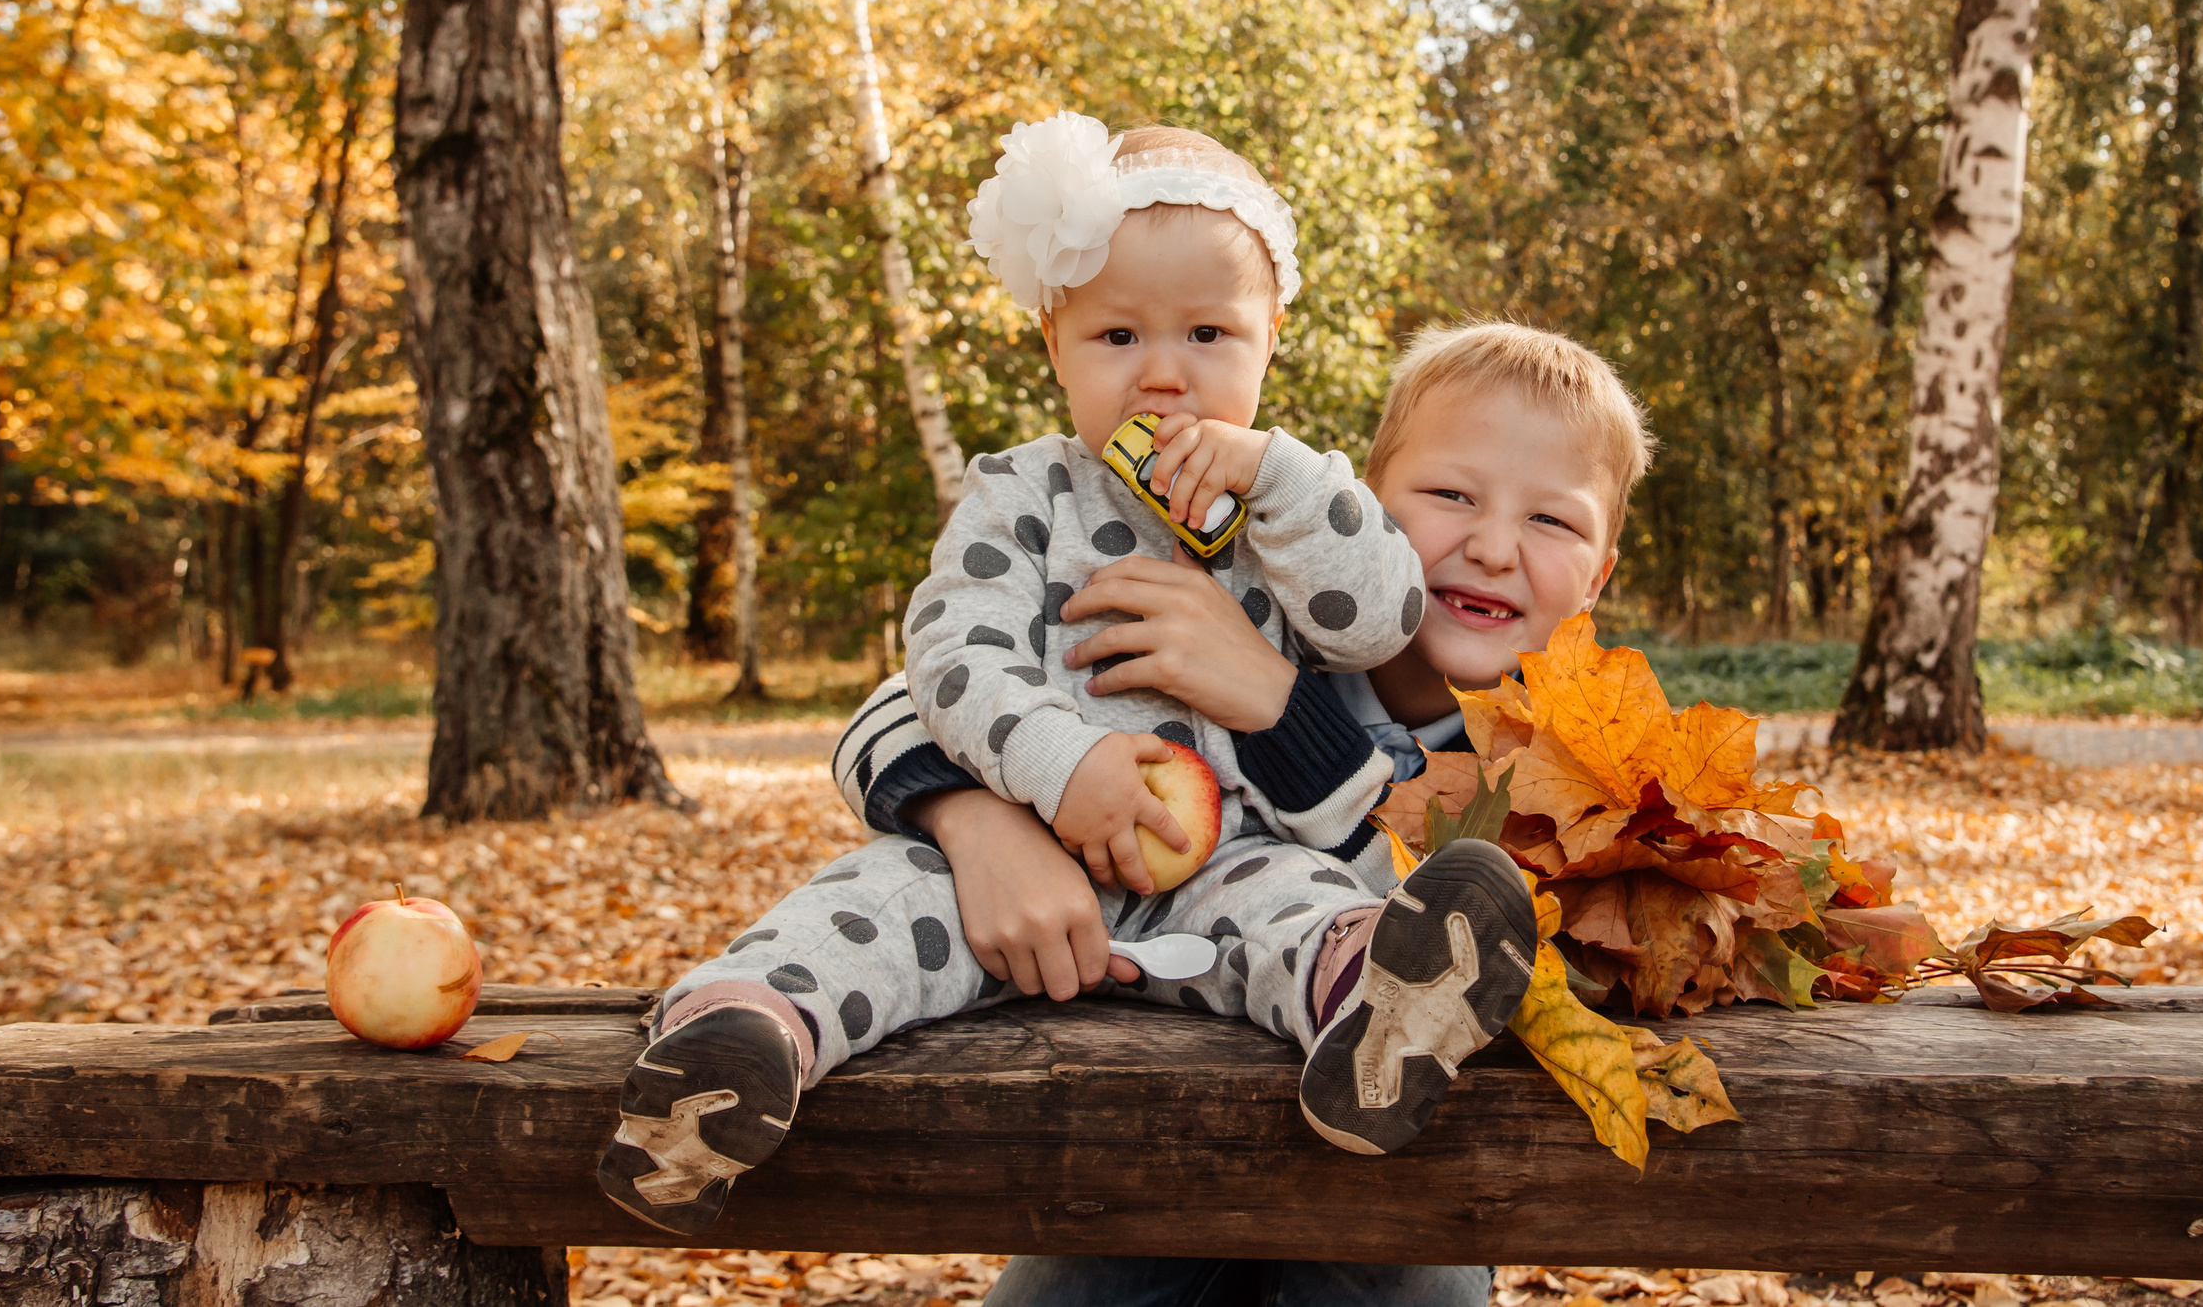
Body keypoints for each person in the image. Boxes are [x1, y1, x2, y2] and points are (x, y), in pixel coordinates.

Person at [598, 118, 1542, 1239]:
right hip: (1021, 855)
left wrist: (1279, 474)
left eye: (1208, 331)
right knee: (873, 910)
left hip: (1224, 857)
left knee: (1304, 911)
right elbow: (950, 656)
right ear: (1052, 340)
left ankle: (1377, 1007)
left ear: (1269, 339)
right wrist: (1060, 763)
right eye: (1114, 334)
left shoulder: (1289, 509)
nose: (1163, 370)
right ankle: (732, 1049)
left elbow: (1377, 611)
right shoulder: (1022, 496)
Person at [836, 319, 1656, 1307]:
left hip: (1400, 1201)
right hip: (1141, 1147)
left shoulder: (1588, 776)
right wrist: (978, 818)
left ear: (1601, 571)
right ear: (1356, 502)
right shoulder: (1238, 580)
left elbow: (1415, 909)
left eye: (1553, 522)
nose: (1489, 546)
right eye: (1448, 495)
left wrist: (1275, 701)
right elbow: (914, 691)